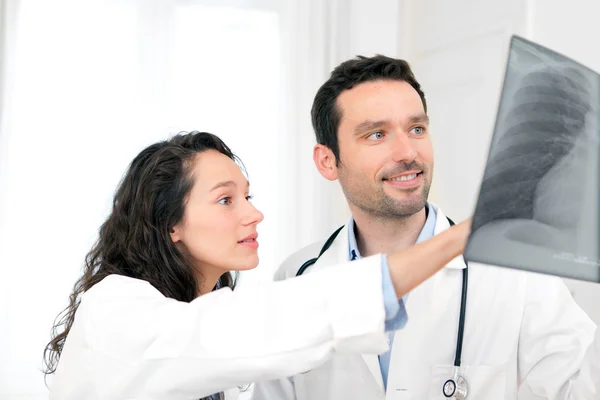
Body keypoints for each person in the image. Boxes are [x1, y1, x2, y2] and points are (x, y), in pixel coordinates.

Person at [252, 55, 600, 399]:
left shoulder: (518, 273)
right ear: (328, 161)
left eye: (416, 129)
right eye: (377, 134)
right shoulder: (298, 277)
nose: (407, 152)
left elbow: (578, 390)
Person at [43, 131, 471, 400]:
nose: (253, 214)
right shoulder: (114, 311)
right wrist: (458, 238)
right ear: (170, 222)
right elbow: (254, 326)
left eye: (248, 197)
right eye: (226, 200)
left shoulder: (196, 313)